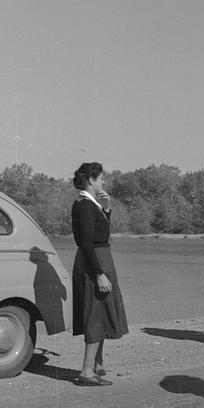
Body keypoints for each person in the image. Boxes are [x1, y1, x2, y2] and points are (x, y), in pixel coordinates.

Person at [71, 162, 128, 386]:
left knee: (101, 312)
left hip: (99, 259)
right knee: (95, 315)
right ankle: (86, 371)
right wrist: (99, 274)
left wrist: (106, 208)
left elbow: (101, 234)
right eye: (101, 178)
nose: (104, 181)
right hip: (95, 263)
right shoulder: (84, 205)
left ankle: (97, 364)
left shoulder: (92, 205)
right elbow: (86, 242)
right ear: (92, 180)